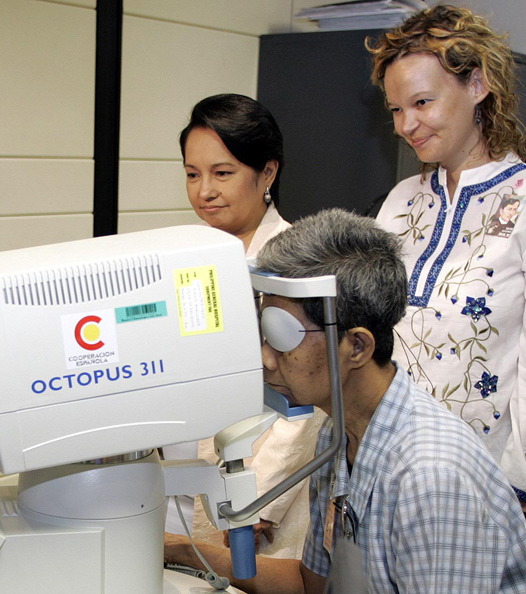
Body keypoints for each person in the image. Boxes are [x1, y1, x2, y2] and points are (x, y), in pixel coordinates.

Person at [165, 208, 526, 593]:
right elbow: (314, 585)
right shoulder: (338, 436)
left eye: (282, 336)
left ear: (357, 346)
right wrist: (180, 550)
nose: (265, 357)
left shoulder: (430, 478)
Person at [366, 4, 526, 526]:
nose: (407, 125)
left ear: (477, 85)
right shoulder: (402, 200)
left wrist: (522, 490)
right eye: (395, 110)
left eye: (422, 102)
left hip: (480, 486)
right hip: (383, 468)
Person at [163, 93, 325, 559]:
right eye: (192, 174)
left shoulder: (297, 266)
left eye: (223, 173)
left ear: (268, 173)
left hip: (258, 494)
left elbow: (307, 405)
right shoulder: (186, 257)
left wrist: (258, 502)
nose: (204, 191)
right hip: (178, 482)